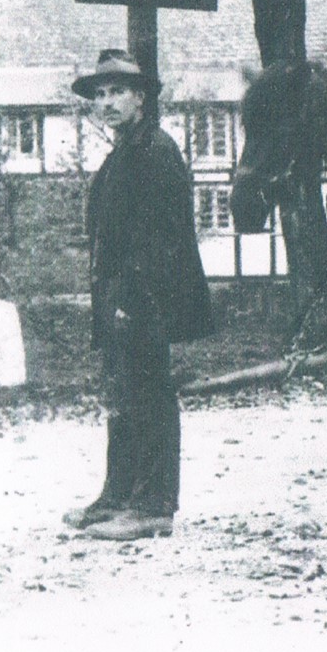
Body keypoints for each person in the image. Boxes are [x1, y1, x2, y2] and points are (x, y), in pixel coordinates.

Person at [63, 49, 214, 541]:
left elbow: (159, 237)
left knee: (149, 393)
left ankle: (153, 504)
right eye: (99, 95)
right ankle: (119, 495)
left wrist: (135, 299)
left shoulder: (155, 150)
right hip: (118, 297)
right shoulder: (124, 152)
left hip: (145, 298)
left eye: (117, 92)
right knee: (121, 395)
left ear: (141, 99)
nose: (106, 103)